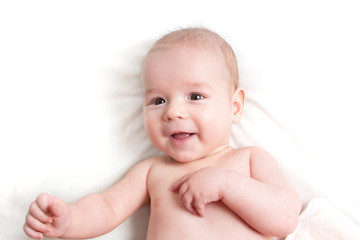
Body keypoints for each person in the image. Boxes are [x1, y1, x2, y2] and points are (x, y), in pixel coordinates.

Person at [24, 27, 302, 240]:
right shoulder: (151, 171)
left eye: (195, 96)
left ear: (235, 106)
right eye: (158, 101)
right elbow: (107, 206)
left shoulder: (249, 160)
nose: (173, 112)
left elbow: (287, 215)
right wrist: (70, 220)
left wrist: (227, 185)